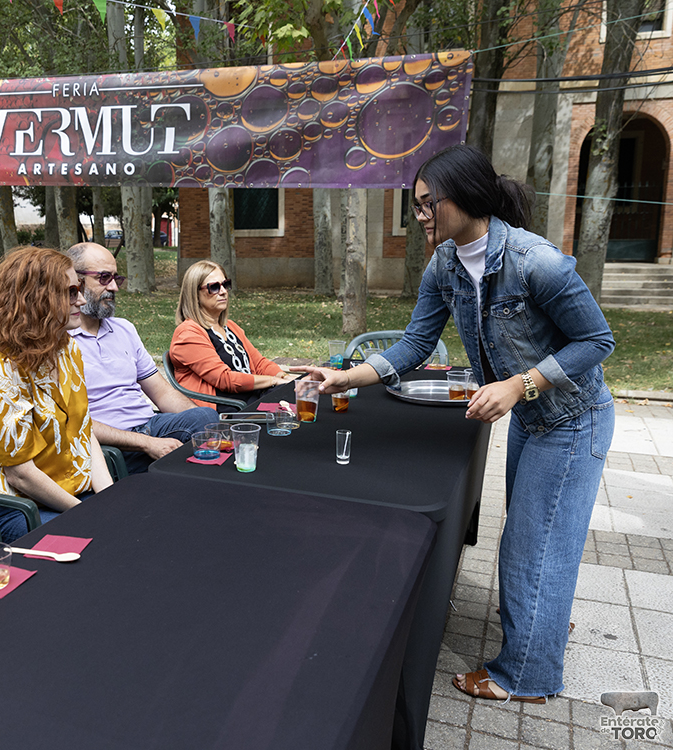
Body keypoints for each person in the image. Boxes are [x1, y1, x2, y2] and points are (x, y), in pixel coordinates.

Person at [297, 144, 615, 704]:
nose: (420, 216)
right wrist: (351, 376)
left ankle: (528, 677)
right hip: (533, 419)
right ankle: (543, 622)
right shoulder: (444, 265)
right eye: (415, 206)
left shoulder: (534, 261)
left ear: (466, 195)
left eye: (427, 204)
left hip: (572, 419)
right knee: (534, 536)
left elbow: (597, 340)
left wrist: (520, 385)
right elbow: (417, 342)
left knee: (531, 545)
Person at [0, 246, 113, 542]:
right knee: (102, 541)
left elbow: (83, 433)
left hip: (72, 492)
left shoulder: (68, 350)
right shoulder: (0, 373)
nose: (82, 300)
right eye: (71, 292)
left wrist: (109, 500)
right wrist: (89, 513)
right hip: (20, 506)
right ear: (37, 300)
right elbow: (21, 475)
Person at [66, 243, 217, 474]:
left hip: (149, 427)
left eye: (117, 278)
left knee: (205, 417)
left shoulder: (124, 329)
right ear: (75, 282)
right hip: (107, 447)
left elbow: (162, 392)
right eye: (104, 278)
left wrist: (205, 427)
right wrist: (146, 443)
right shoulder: (58, 342)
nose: (115, 287)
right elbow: (74, 423)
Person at [169, 260, 291, 411]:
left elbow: (259, 364)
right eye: (214, 287)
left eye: (225, 284)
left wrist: (285, 378)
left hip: (252, 397)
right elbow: (225, 380)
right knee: (291, 401)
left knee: (298, 392)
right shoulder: (188, 334)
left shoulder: (230, 327)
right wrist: (274, 381)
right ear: (195, 294)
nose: (223, 291)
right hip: (230, 408)